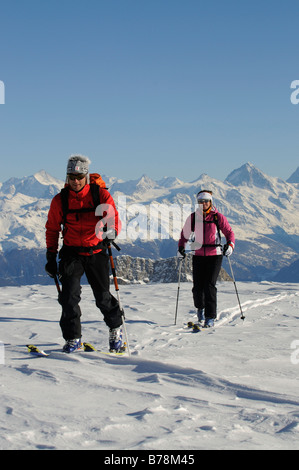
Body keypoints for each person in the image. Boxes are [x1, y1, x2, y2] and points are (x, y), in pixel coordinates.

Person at [45, 155, 123, 353]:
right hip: (72, 252)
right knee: (68, 297)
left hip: (96, 251)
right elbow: (52, 229)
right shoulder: (60, 200)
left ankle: (115, 329)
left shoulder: (101, 196)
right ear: (67, 177)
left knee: (103, 297)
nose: (76, 181)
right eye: (72, 176)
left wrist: (110, 233)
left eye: (79, 176)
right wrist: (50, 256)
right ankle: (73, 338)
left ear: (86, 176)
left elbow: (114, 220)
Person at [177, 190, 235, 327]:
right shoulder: (193, 218)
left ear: (211, 202)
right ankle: (200, 308)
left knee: (209, 286)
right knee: (197, 287)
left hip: (214, 255)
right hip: (198, 255)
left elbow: (229, 232)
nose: (203, 204)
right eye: (201, 202)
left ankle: (210, 317)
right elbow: (184, 234)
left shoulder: (217, 217)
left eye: (206, 201)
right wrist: (181, 247)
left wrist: (230, 245)